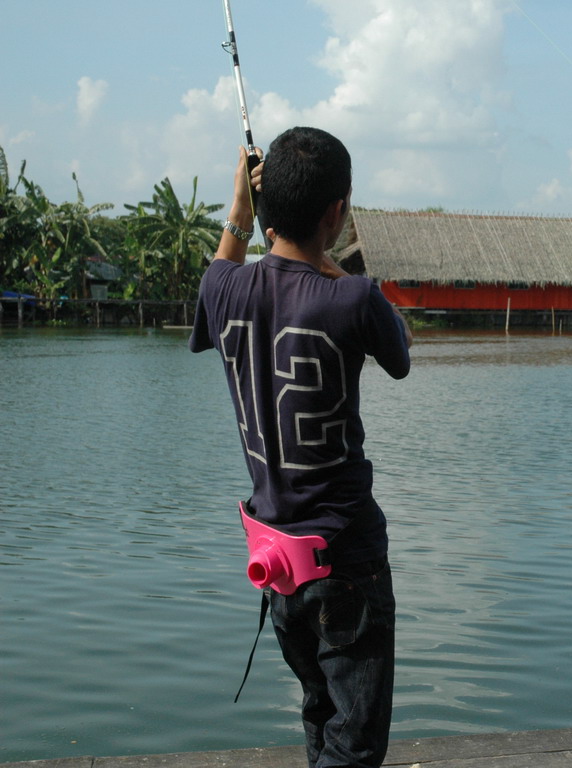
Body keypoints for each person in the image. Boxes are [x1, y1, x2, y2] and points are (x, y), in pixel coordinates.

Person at [190, 127, 413, 768]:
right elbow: (397, 353)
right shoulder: (353, 298)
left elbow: (226, 268)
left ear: (261, 204)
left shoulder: (222, 291)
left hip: (277, 563)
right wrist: (329, 262)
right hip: (347, 560)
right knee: (355, 741)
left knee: (319, 714)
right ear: (337, 214)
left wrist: (240, 207)